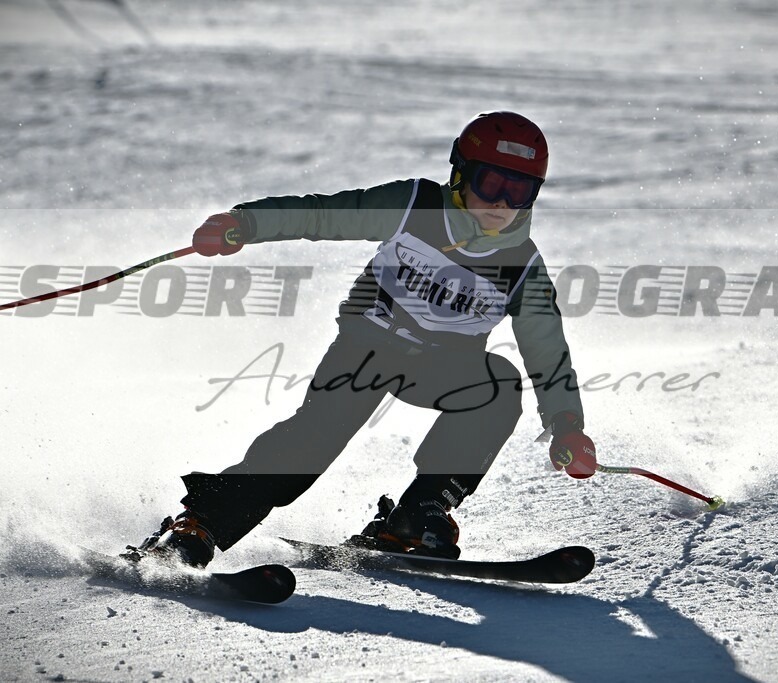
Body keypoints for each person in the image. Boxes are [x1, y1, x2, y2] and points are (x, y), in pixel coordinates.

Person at [128, 111, 598, 566]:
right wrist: (245, 224)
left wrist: (566, 424)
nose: (502, 203)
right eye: (491, 183)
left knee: (499, 385)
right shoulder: (415, 206)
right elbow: (321, 215)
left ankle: (416, 516)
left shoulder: (522, 264)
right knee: (311, 443)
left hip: (442, 368)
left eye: (519, 190)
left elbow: (547, 348)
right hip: (366, 351)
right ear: (460, 174)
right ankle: (201, 525)